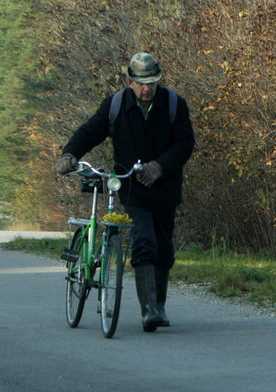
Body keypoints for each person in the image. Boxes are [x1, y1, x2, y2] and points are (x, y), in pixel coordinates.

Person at [54, 52, 195, 332]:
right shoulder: (116, 105)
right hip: (133, 190)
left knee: (164, 248)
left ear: (158, 80)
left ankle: (159, 305)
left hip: (165, 188)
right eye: (142, 83)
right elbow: (90, 131)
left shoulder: (173, 104)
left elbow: (185, 143)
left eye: (152, 82)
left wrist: (160, 166)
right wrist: (69, 154)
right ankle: (149, 311)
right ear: (129, 81)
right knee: (144, 241)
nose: (147, 88)